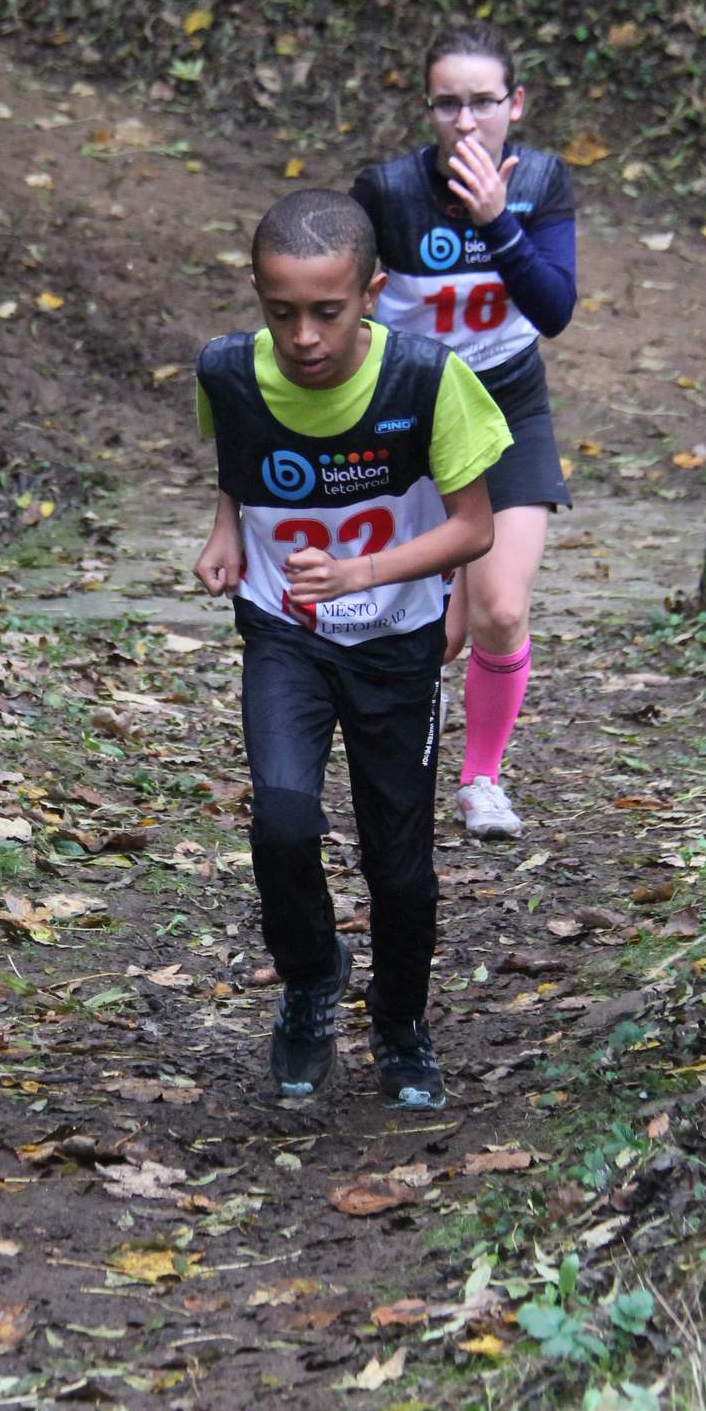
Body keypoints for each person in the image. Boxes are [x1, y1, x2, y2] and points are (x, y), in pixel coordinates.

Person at [193, 189, 511, 1107]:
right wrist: (225, 525)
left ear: (370, 293)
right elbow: (239, 459)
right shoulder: (225, 371)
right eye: (280, 311)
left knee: (399, 867)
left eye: (326, 312)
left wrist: (363, 573)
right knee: (282, 824)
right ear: (257, 296)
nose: (302, 336)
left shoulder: (427, 380)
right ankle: (309, 978)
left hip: (394, 641)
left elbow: (474, 527)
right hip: (284, 632)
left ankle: (401, 1024)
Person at [351, 21, 576, 841]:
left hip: (508, 408)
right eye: (448, 104)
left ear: (515, 103)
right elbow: (342, 304)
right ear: (428, 109)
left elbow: (553, 309)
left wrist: (496, 222)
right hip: (412, 418)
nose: (467, 120)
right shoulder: (385, 191)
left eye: (484, 101)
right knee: (428, 634)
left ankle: (481, 780)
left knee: (501, 609)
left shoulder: (541, 181)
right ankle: (387, 765)